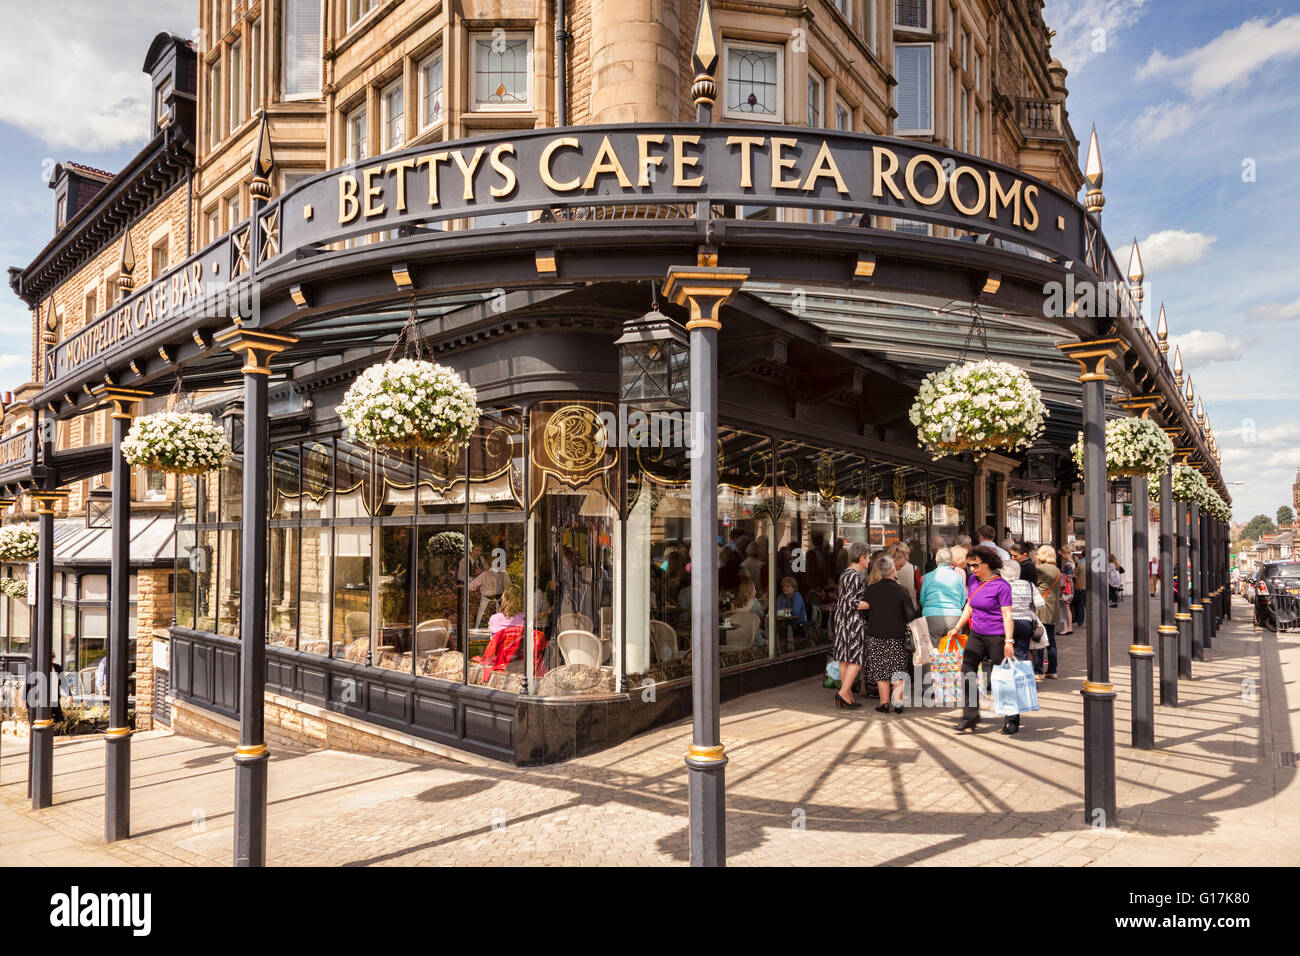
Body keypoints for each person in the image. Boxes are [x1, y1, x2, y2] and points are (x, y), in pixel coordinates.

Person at [946, 545, 1015, 734]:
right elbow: (969, 607)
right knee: (966, 670)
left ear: (988, 564)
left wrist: (1009, 641)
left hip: (997, 636)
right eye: (970, 566)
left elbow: (1007, 615)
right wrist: (957, 627)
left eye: (975, 565)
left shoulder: (1002, 586)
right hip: (976, 634)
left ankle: (1012, 717)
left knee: (1002, 677)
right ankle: (970, 715)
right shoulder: (973, 581)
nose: (972, 569)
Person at [862, 554, 918, 713]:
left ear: (879, 571)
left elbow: (865, 615)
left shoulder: (871, 590)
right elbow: (910, 615)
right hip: (897, 635)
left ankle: (884, 703)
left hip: (876, 635)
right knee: (898, 669)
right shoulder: (902, 590)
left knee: (881, 670)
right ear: (894, 570)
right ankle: (898, 703)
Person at [1001, 560, 1043, 730]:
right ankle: (1014, 710)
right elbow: (1040, 604)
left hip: (1005, 626)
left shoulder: (1001, 585)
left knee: (1005, 665)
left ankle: (1010, 712)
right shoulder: (1028, 585)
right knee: (1018, 661)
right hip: (1025, 625)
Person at [832, 541, 872, 708]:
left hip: (842, 620)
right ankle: (843, 693)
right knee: (856, 658)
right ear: (862, 557)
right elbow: (852, 602)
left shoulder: (845, 573)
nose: (869, 561)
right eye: (868, 558)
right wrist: (871, 604)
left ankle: (847, 694)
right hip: (852, 621)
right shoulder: (854, 575)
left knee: (844, 658)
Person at [920, 547, 967, 640]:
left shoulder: (928, 577)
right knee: (952, 650)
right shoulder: (958, 577)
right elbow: (962, 599)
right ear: (950, 561)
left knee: (934, 650)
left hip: (932, 616)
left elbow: (923, 599)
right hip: (954, 617)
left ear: (936, 561)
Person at [1034, 544, 1063, 679]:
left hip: (1041, 609)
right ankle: (1053, 669)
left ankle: (1039, 671)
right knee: (1051, 640)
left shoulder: (1040, 569)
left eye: (1039, 553)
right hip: (1053, 609)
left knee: (1038, 640)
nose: (1036, 555)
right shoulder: (1057, 570)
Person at [731, 577, 766, 646]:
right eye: (754, 589)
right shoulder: (755, 604)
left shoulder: (734, 603)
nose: (756, 591)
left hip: (735, 636)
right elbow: (761, 616)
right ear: (749, 591)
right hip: (753, 636)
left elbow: (732, 615)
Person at [891, 541, 921, 606]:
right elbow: (919, 589)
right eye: (900, 566)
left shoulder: (883, 570)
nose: (899, 569)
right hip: (910, 607)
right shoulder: (914, 569)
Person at [1057, 548, 1075, 635]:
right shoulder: (1072, 562)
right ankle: (1069, 627)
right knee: (1067, 608)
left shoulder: (1068, 564)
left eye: (1061, 555)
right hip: (1069, 589)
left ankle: (1065, 628)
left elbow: (1068, 577)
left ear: (1065, 553)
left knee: (1064, 608)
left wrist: (1060, 574)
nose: (1061, 557)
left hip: (1065, 589)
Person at [1072, 544, 1088, 627]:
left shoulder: (1081, 564)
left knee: (1080, 604)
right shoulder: (1093, 564)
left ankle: (1080, 620)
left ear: (1082, 555)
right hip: (1090, 588)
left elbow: (1075, 575)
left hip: (1081, 587)